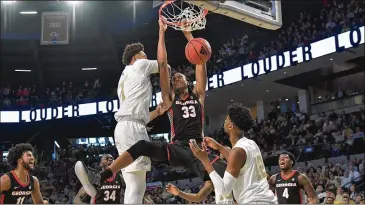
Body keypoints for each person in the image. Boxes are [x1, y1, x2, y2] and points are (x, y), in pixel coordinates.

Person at [101, 19, 232, 204]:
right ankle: (108, 172)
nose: (176, 79)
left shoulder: (199, 96)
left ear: (189, 81)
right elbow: (163, 67)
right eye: (174, 79)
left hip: (197, 149)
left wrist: (188, 35)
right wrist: (162, 34)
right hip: (176, 147)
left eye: (180, 77)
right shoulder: (170, 101)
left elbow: (200, 62)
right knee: (142, 146)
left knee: (224, 171)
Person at [111, 17, 169, 203]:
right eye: (144, 55)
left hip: (123, 128)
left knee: (132, 184)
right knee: (138, 186)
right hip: (133, 130)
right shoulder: (140, 65)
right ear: (135, 58)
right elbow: (163, 65)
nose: (146, 57)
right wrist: (161, 32)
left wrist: (156, 113)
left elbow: (136, 114)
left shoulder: (123, 77)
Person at [189, 103, 277, 204]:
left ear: (231, 126)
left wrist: (204, 159)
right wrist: (219, 147)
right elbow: (237, 161)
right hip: (268, 200)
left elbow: (224, 190)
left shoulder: (237, 151)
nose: (224, 121)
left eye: (226, 119)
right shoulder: (251, 143)